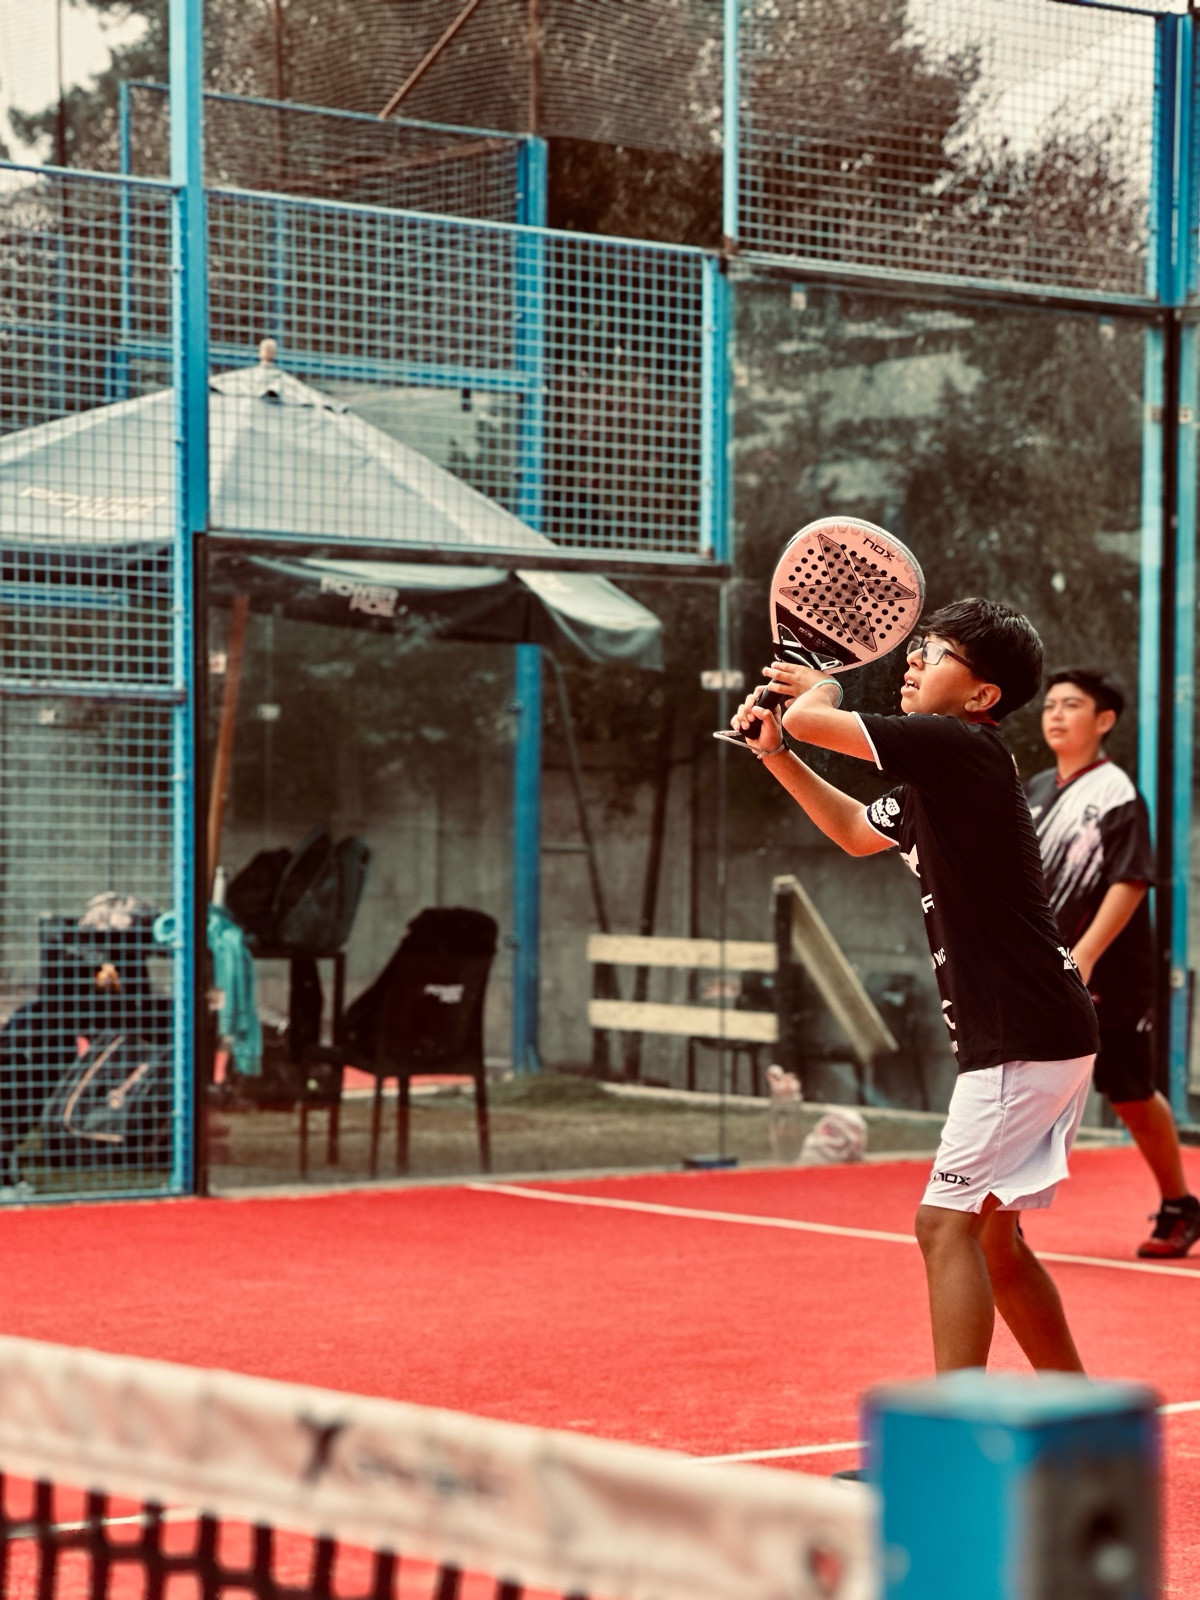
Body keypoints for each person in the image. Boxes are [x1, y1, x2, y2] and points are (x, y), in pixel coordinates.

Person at [731, 598, 1098, 1373]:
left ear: (981, 694)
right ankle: (1080, 1410)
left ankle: (954, 1428)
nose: (913, 661)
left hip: (1022, 1033)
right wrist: (776, 754)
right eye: (918, 648)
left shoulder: (960, 745)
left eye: (933, 653)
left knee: (943, 1226)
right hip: (1045, 1030)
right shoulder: (944, 774)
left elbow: (817, 718)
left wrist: (817, 688)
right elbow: (853, 831)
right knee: (993, 1239)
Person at [1027, 667, 1200, 1259]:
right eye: (1050, 705)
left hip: (1109, 972)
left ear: (1104, 721)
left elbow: (1131, 882)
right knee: (1028, 1085)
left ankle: (1180, 1204)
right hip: (1042, 972)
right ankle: (1002, 1216)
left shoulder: (1116, 792)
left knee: (1129, 1089)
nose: (1055, 714)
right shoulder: (1034, 789)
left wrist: (1084, 957)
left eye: (1071, 705)